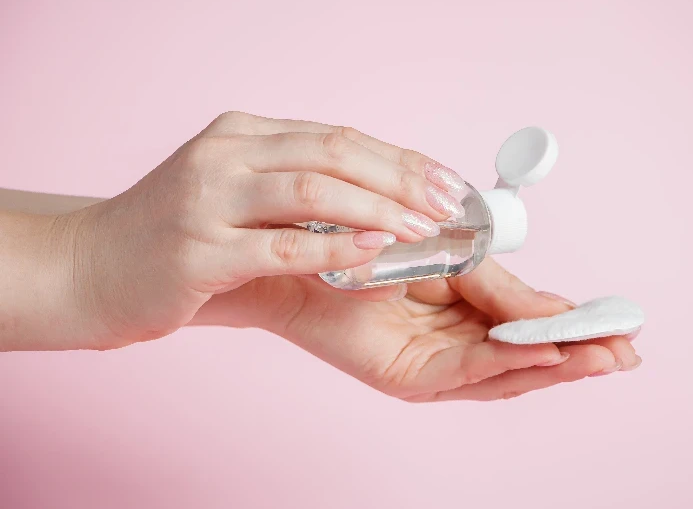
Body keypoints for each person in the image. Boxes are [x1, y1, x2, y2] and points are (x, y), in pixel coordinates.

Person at [0, 112, 641, 402]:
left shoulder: (447, 246)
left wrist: (270, 284)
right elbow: (94, 257)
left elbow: (109, 251)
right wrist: (82, 266)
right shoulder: (464, 233)